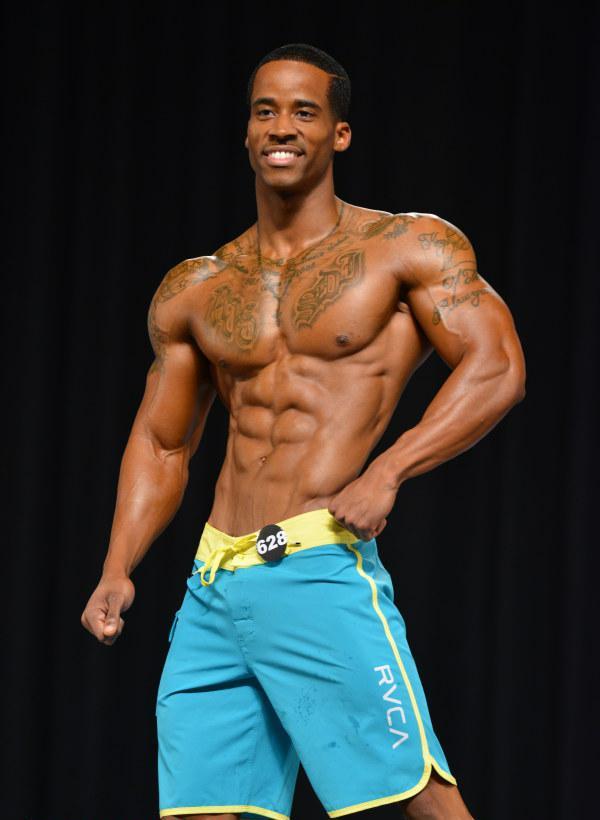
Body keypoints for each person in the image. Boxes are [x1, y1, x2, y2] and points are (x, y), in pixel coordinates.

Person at [81, 43, 526, 820]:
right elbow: (164, 441)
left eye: (303, 111)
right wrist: (119, 563)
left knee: (412, 801)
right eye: (264, 110)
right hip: (215, 581)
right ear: (246, 133)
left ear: (339, 135)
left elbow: (496, 368)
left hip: (315, 561)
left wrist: (389, 471)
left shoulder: (404, 248)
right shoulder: (198, 287)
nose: (281, 126)